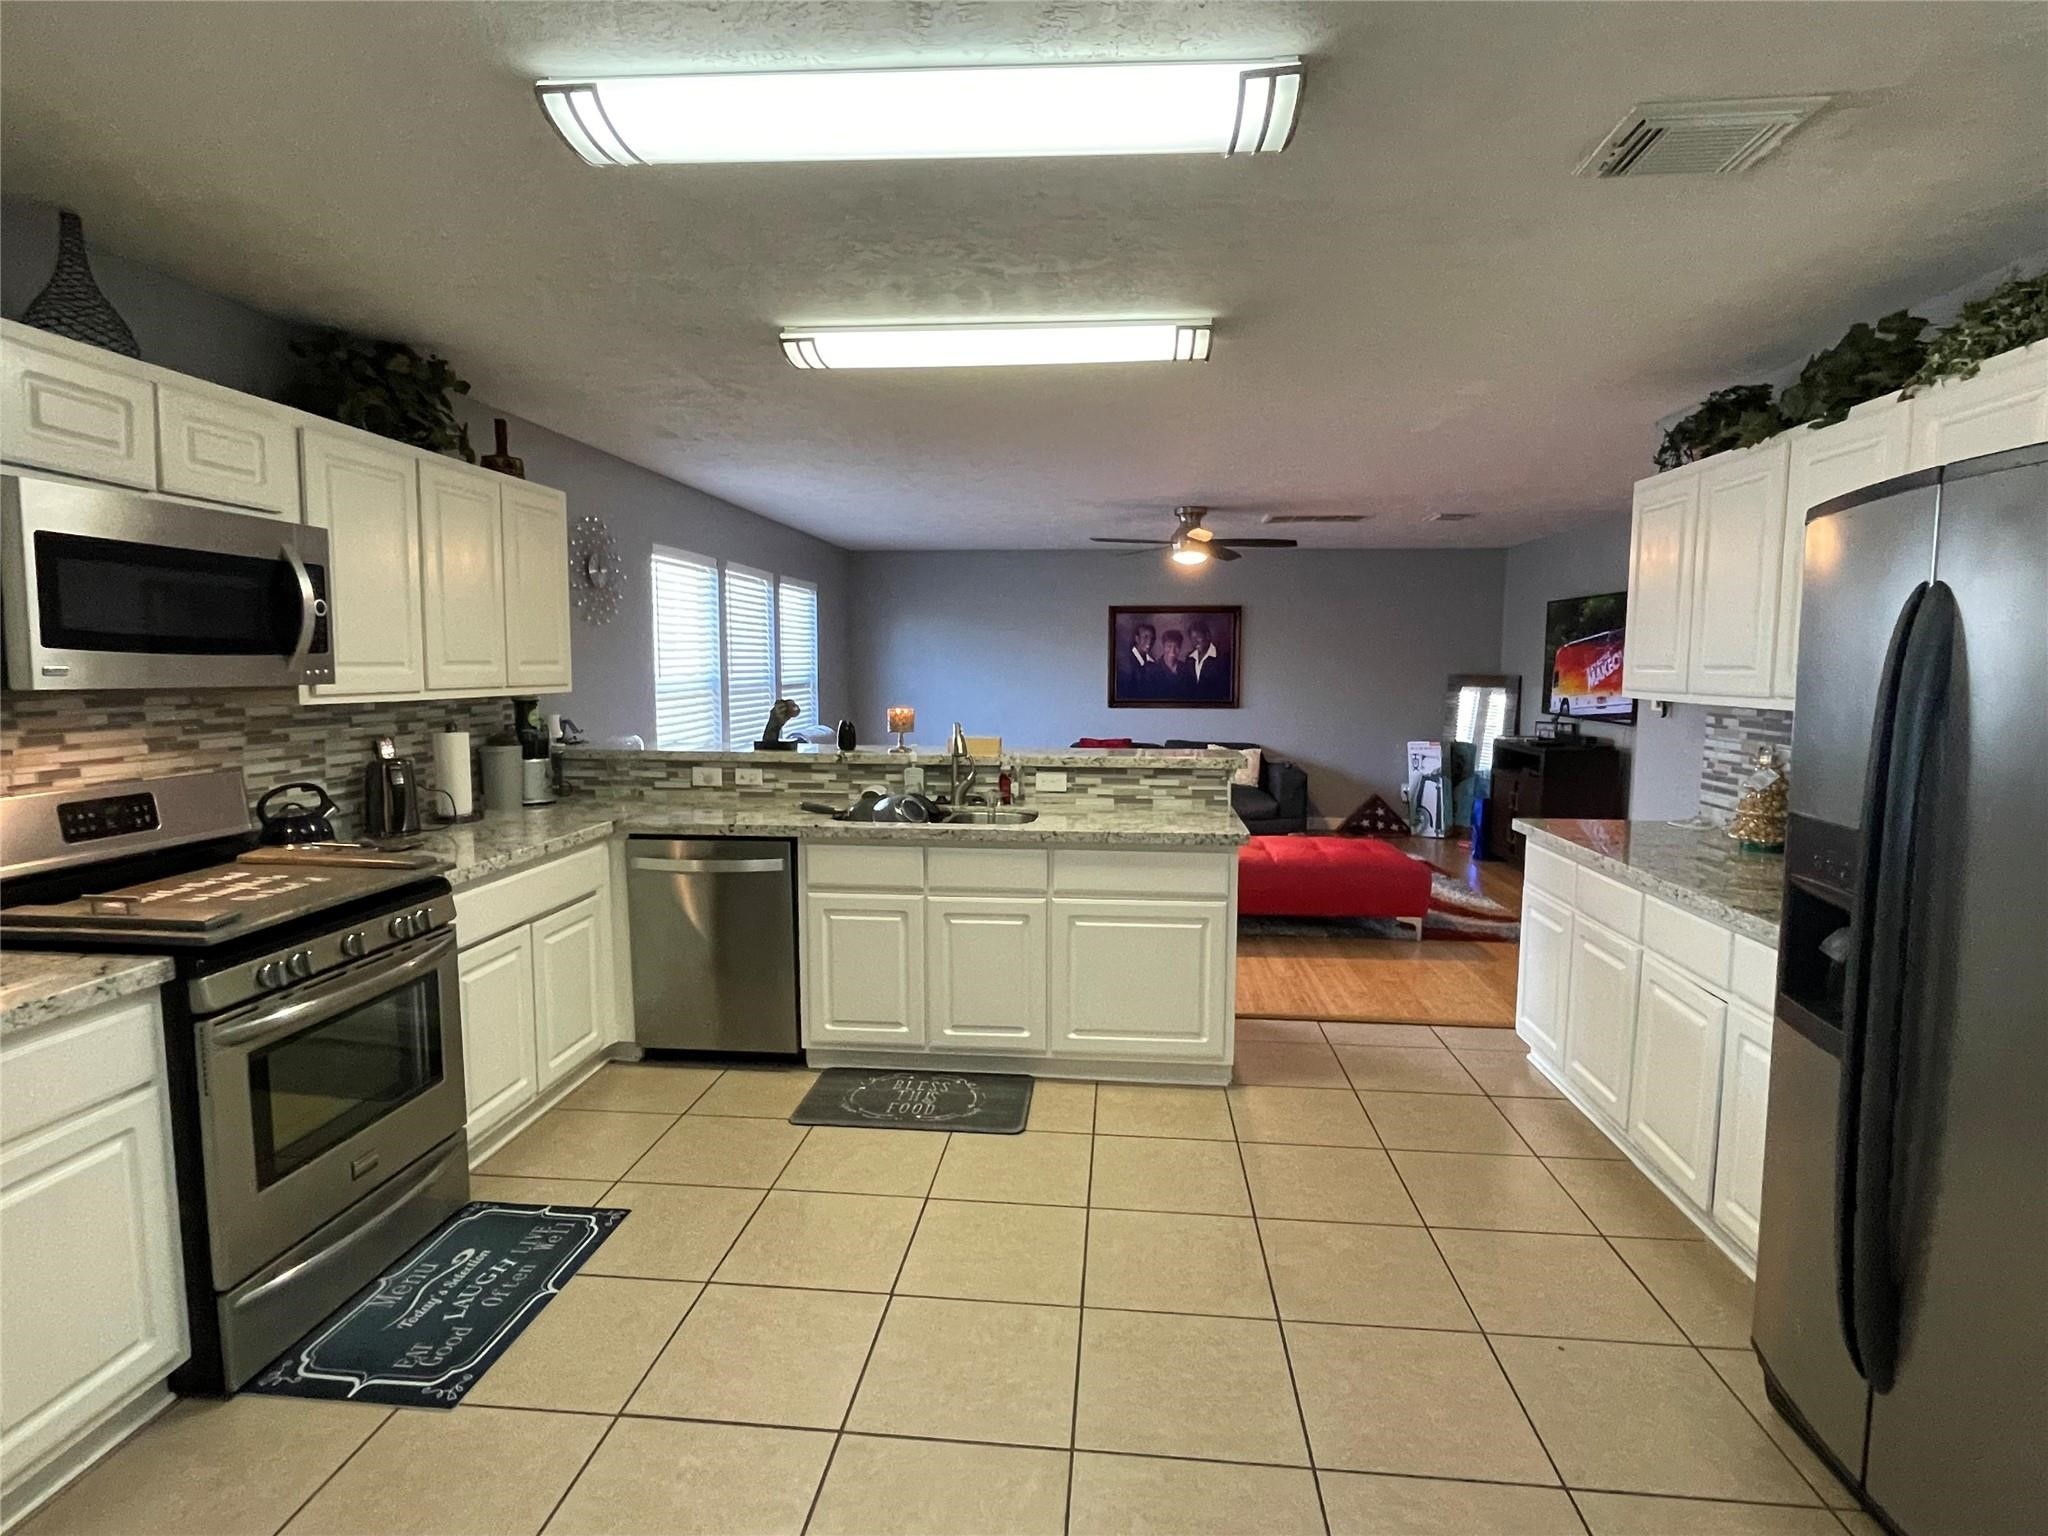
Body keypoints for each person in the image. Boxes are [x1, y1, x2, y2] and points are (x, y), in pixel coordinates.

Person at [1184, 620, 1229, 700]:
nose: (1195, 642)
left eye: (1198, 637)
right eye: (1192, 638)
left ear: (1208, 636)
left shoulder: (1222, 658)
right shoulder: (1189, 658)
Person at [1117, 622, 1159, 700]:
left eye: (1152, 638)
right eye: (1145, 637)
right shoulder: (1125, 663)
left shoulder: (1152, 663)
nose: (1149, 641)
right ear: (1137, 638)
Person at [1155, 628, 1189, 699]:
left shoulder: (1186, 669)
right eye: (1169, 646)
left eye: (1176, 647)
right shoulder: (1153, 669)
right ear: (1163, 646)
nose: (1172, 651)